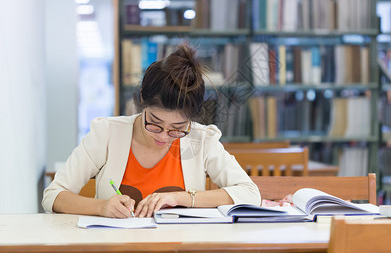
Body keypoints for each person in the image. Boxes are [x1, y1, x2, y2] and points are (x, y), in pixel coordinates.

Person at [42, 44, 261, 218]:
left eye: (177, 129)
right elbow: (53, 196)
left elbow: (250, 194)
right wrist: (101, 207)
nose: (164, 136)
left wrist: (183, 198)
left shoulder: (201, 139)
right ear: (141, 104)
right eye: (155, 123)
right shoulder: (107, 134)